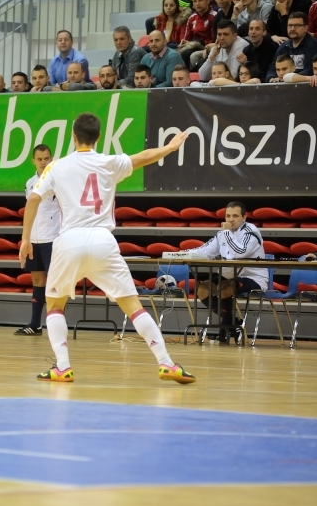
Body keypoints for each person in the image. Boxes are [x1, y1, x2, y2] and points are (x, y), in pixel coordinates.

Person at [18, 113, 195, 384]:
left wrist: (26, 239)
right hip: (103, 240)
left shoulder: (56, 166)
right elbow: (143, 156)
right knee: (133, 306)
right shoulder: (109, 162)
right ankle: (166, 363)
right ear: (98, 137)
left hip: (69, 240)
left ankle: (63, 367)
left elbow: (33, 199)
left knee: (54, 305)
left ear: (73, 137)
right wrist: (170, 148)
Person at [186, 202, 267, 343]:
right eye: (228, 216)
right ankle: (233, 323)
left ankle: (225, 328)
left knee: (225, 287)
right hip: (230, 275)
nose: (230, 219)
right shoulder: (221, 234)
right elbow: (205, 251)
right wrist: (183, 253)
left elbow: (239, 253)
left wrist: (227, 232)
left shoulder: (251, 232)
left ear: (244, 217)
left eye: (235, 216)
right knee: (203, 288)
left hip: (253, 278)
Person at [15, 144, 58, 336]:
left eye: (46, 158)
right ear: (33, 160)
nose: (43, 162)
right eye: (39, 159)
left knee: (55, 282)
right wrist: (27, 238)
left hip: (53, 237)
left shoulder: (58, 182)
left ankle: (57, 324)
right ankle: (35, 324)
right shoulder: (29, 183)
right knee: (37, 279)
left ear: (51, 159)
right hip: (34, 239)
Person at [267, 11, 317, 80]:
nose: (292, 29)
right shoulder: (283, 46)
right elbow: (272, 67)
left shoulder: (314, 45)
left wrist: (288, 79)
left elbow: (310, 70)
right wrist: (271, 78)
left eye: (297, 26)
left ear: (306, 28)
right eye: (290, 25)